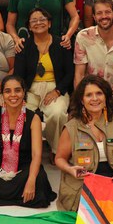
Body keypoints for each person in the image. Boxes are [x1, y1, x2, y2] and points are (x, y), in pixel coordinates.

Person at [55, 75, 113, 211]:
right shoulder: (72, 127)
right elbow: (59, 158)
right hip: (84, 182)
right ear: (82, 100)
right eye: (89, 95)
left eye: (99, 93)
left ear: (105, 97)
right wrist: (70, 169)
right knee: (96, 212)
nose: (95, 99)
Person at [0, 75, 57, 207]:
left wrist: (31, 180)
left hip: (23, 168)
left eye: (17, 90)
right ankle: (14, 196)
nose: (13, 95)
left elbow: (36, 155)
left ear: (24, 92)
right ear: (2, 94)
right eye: (8, 91)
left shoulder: (33, 118)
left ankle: (0, 195)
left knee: (39, 178)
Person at [14, 8, 72, 156]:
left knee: (57, 113)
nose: (38, 23)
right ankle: (26, 151)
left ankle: (56, 150)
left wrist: (58, 90)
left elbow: (70, 73)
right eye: (34, 20)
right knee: (21, 112)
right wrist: (21, 95)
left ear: (50, 23)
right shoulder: (23, 45)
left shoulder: (61, 44)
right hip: (30, 89)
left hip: (55, 87)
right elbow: (18, 75)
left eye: (42, 19)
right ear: (28, 26)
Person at [74, 0, 113, 89]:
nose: (104, 16)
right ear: (94, 17)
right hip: (92, 93)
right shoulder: (83, 36)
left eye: (107, 12)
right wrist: (80, 99)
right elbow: (79, 74)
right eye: (99, 13)